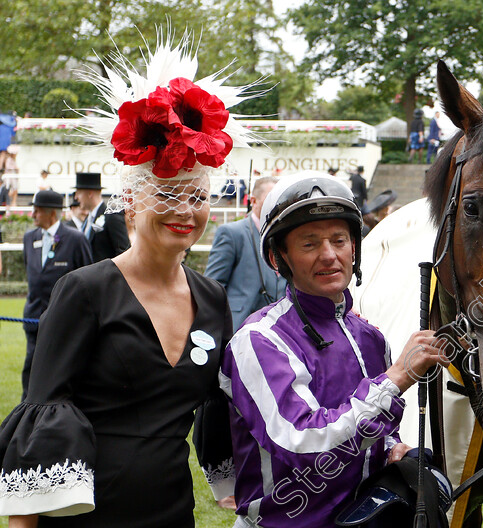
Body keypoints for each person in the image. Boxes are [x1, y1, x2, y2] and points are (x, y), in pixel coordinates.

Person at [0, 33, 260, 526]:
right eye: (168, 195)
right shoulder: (84, 291)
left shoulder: (212, 298)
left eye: (197, 197)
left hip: (171, 513)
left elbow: (228, 403)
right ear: (133, 201)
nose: (186, 212)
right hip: (87, 516)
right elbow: (42, 414)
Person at [220, 173, 448, 526]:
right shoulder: (258, 340)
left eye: (339, 240)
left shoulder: (371, 338)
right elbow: (304, 443)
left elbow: (375, 432)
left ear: (354, 247)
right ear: (278, 257)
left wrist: (391, 450)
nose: (329, 255)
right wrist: (395, 380)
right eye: (309, 244)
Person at [19, 189, 92, 399]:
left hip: (64, 319)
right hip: (33, 318)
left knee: (62, 370)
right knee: (30, 368)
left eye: (37, 211)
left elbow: (88, 274)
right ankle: (27, 413)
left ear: (51, 213)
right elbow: (31, 273)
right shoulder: (28, 238)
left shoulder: (75, 239)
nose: (32, 215)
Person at [205, 176, 286, 330]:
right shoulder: (232, 233)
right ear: (253, 201)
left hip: (279, 330)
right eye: (269, 199)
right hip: (239, 328)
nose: (275, 205)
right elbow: (212, 288)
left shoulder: (285, 238)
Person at [74, 172, 130, 261]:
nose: (76, 197)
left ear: (90, 194)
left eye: (78, 193)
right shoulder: (88, 219)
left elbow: (123, 251)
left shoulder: (112, 216)